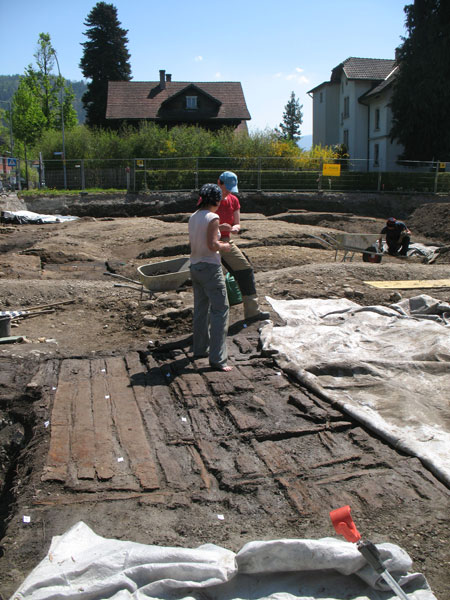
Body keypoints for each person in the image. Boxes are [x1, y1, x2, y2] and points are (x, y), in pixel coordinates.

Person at [189, 183, 233, 372]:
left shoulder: (193, 216)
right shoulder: (213, 217)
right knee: (220, 310)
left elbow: (201, 235)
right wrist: (225, 246)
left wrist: (217, 228)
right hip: (210, 268)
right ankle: (218, 359)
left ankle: (200, 349)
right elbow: (213, 245)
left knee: (200, 309)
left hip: (195, 266)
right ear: (216, 200)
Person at [216, 171, 270, 322]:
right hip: (210, 241)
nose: (227, 192)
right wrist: (220, 227)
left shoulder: (233, 200)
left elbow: (237, 222)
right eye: (225, 188)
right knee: (213, 279)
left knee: (245, 270)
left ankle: (252, 311)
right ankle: (213, 317)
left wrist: (235, 228)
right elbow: (202, 222)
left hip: (226, 241)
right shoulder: (209, 198)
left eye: (229, 189)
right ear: (219, 183)